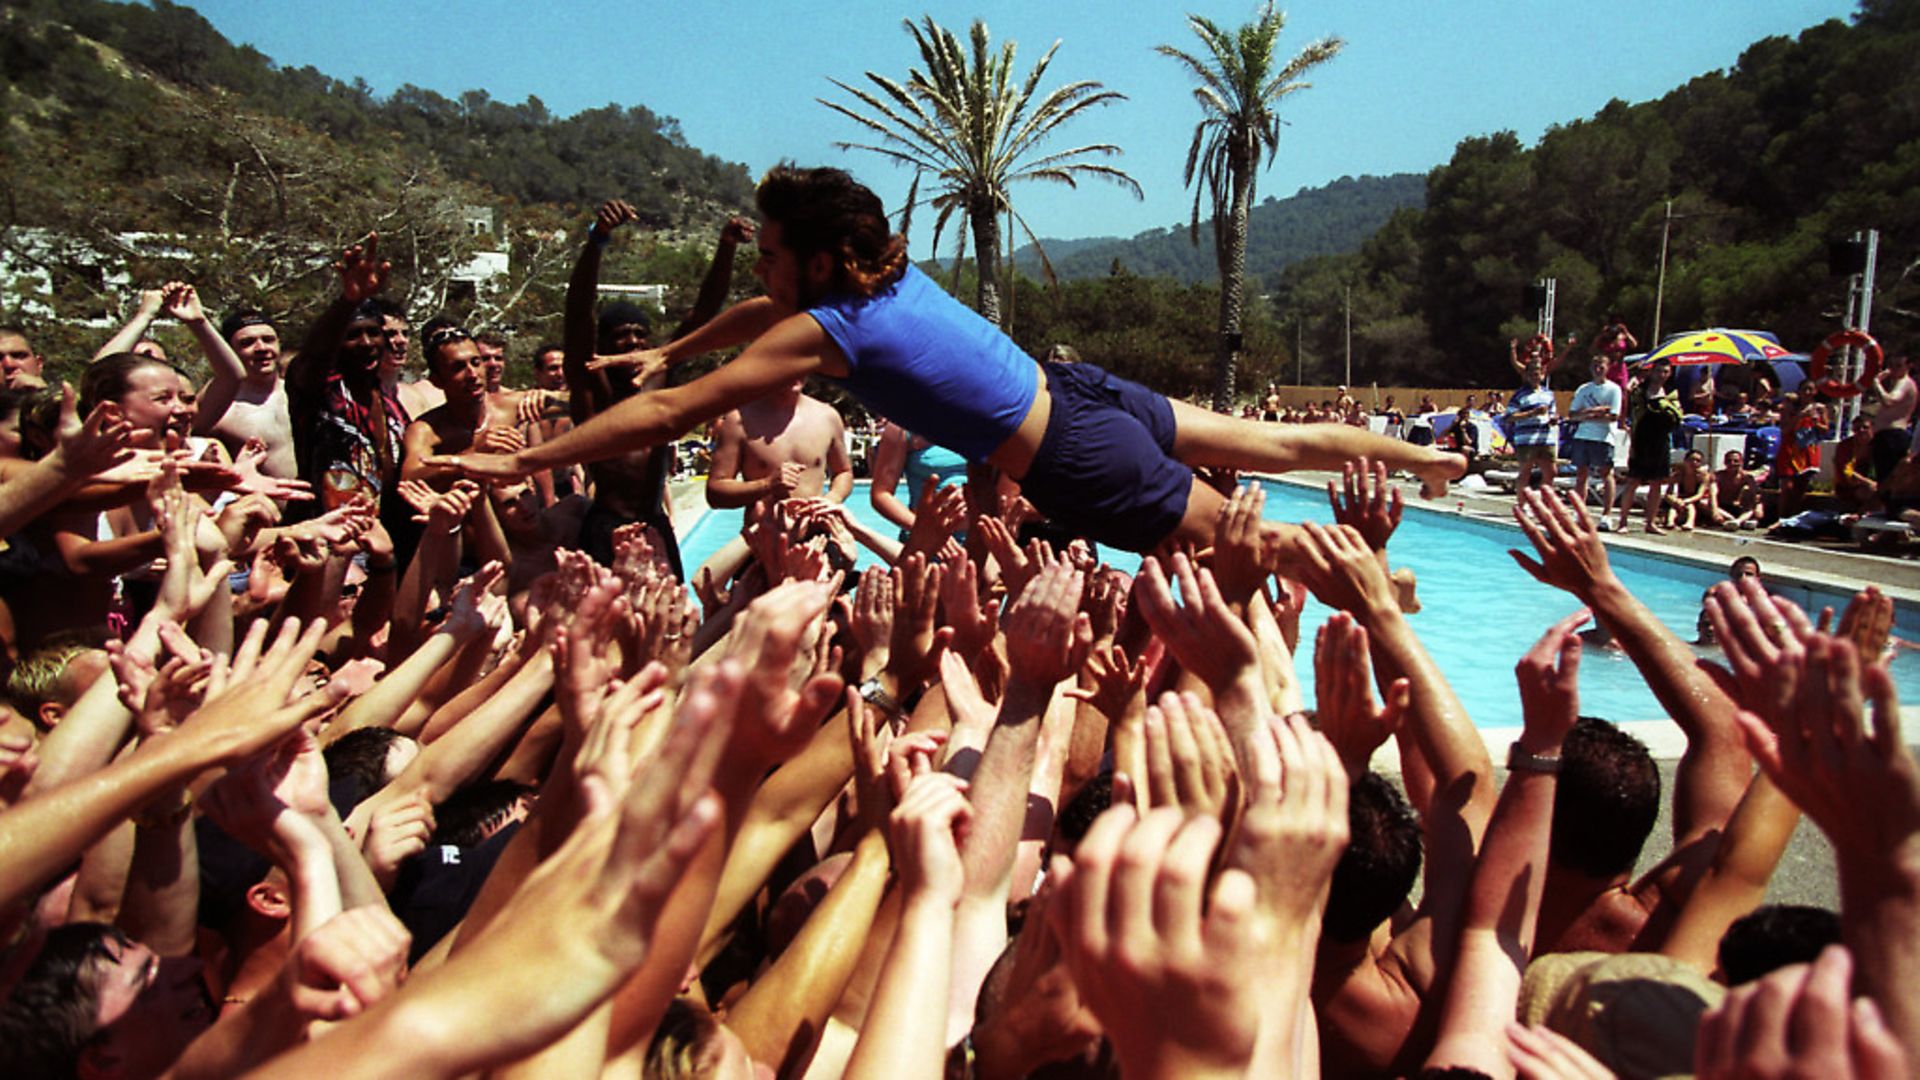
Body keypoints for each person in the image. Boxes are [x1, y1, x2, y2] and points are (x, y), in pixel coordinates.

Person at [430, 166, 1465, 556]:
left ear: (822, 259)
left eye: (782, 249)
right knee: (1276, 447)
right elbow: (757, 306)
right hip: (1087, 393)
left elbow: (668, 418)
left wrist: (517, 464)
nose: (769, 267)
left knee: (1251, 548)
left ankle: (1389, 605)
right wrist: (671, 342)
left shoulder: (830, 327)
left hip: (1077, 456)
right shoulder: (880, 280)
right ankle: (1429, 466)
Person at [704, 377, 853, 509]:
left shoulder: (827, 416)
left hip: (817, 535)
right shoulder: (739, 421)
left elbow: (843, 472)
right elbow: (715, 493)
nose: (794, 371)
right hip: (766, 537)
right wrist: (766, 485)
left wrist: (833, 498)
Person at [1616, 356, 1682, 534]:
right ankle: (1623, 521)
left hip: (1661, 441)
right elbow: (1635, 411)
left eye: (1666, 372)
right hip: (1642, 440)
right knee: (1633, 481)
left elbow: (1677, 417)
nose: (1662, 375)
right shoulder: (1640, 391)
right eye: (1659, 371)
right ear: (1652, 371)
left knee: (1657, 483)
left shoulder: (1670, 393)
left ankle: (1650, 522)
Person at [1567, 355, 1621, 511]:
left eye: (1601, 366)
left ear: (1608, 368)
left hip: (1603, 438)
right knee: (1581, 476)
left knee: (1606, 474)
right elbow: (1573, 415)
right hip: (1583, 436)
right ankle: (1579, 512)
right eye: (1595, 366)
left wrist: (1586, 415)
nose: (1598, 370)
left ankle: (1607, 514)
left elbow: (1612, 416)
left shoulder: (1614, 389)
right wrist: (1596, 412)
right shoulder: (1584, 389)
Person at [1507, 354, 1558, 491]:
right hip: (1527, 439)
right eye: (1533, 374)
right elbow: (1509, 417)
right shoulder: (1520, 395)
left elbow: (1553, 412)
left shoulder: (1548, 394)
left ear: (1543, 375)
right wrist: (1531, 413)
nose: (1536, 377)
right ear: (1527, 376)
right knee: (1525, 473)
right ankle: (1522, 504)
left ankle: (1545, 502)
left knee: (1551, 471)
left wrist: (1554, 419)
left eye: (1539, 374)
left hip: (1545, 438)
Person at [1869, 351, 1915, 491]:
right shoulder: (1897, 383)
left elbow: (1889, 401)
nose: (1894, 370)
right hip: (1885, 436)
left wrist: (1876, 383)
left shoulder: (1904, 383)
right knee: (1883, 476)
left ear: (1908, 367)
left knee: (1889, 478)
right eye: (1891, 366)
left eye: (1898, 366)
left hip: (1893, 436)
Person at [1661, 448, 1714, 530]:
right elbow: (1668, 493)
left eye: (1698, 461)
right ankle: (1670, 521)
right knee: (1674, 507)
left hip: (1695, 501)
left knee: (1690, 506)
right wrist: (1675, 500)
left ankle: (1690, 522)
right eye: (1691, 460)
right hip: (1680, 500)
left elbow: (1699, 494)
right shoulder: (1678, 474)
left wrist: (1686, 501)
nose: (1694, 463)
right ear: (1685, 461)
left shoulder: (1703, 476)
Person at [1709, 448, 1763, 529]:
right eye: (1729, 461)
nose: (1732, 463)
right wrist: (1715, 510)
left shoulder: (1747, 477)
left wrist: (1759, 508)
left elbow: (1756, 494)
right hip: (1722, 507)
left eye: (1736, 461)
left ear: (1741, 462)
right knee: (1704, 503)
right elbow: (1713, 495)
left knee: (1750, 495)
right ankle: (1733, 521)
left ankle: (1738, 521)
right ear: (1724, 462)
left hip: (1738, 507)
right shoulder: (1718, 476)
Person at [0, 325, 47, 389]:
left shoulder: (62, 395)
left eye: (19, 356)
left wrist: (43, 394)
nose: (9, 365)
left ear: (38, 364)